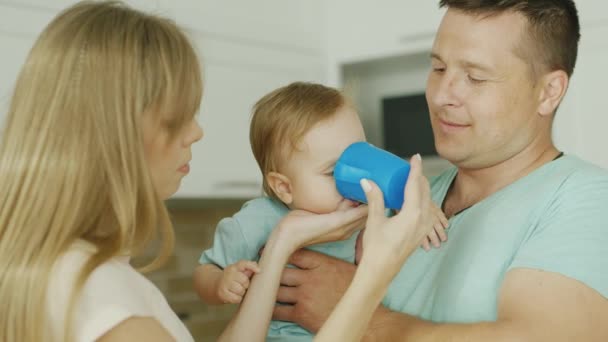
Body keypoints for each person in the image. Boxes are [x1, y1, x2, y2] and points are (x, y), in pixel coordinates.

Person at [0, 1, 439, 342]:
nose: (197, 131)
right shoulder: (98, 297)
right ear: (113, 134)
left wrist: (284, 242)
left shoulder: (75, 269)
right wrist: (375, 273)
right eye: (176, 119)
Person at [272, 1, 608, 341]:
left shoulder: (586, 199)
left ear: (549, 92)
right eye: (438, 68)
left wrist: (359, 315)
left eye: (475, 77)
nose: (441, 96)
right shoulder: (408, 196)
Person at [193, 82, 449, 340]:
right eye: (333, 172)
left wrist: (424, 208)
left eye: (358, 156)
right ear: (284, 187)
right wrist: (221, 283)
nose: (358, 180)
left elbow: (405, 211)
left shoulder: (365, 206)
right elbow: (205, 270)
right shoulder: (257, 221)